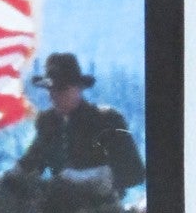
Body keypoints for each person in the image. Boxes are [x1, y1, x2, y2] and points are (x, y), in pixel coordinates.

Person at [18, 53, 146, 196]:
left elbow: (134, 173)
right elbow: (29, 167)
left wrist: (88, 178)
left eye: (62, 89)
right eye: (50, 89)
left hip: (102, 206)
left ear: (78, 88)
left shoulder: (107, 120)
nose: (54, 95)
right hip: (59, 206)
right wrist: (13, 180)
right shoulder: (49, 124)